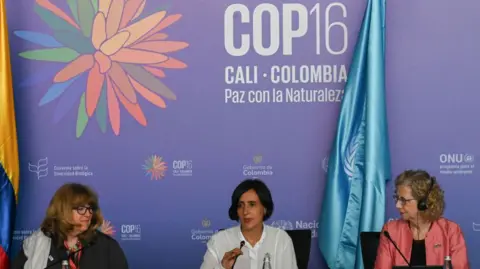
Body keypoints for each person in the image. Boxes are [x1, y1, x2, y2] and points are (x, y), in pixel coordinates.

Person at [12, 183, 129, 269]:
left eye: (90, 208)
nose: (88, 214)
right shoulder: (36, 244)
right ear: (63, 210)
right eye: (81, 209)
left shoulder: (107, 246)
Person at [375, 170, 469, 269]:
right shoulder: (390, 231)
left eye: (403, 200)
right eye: (397, 198)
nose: (397, 205)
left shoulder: (450, 231)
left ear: (423, 203)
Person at [200, 179, 298, 269]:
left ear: (264, 208)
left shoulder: (281, 240)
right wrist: (222, 267)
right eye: (240, 206)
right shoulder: (218, 241)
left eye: (252, 204)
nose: (245, 211)